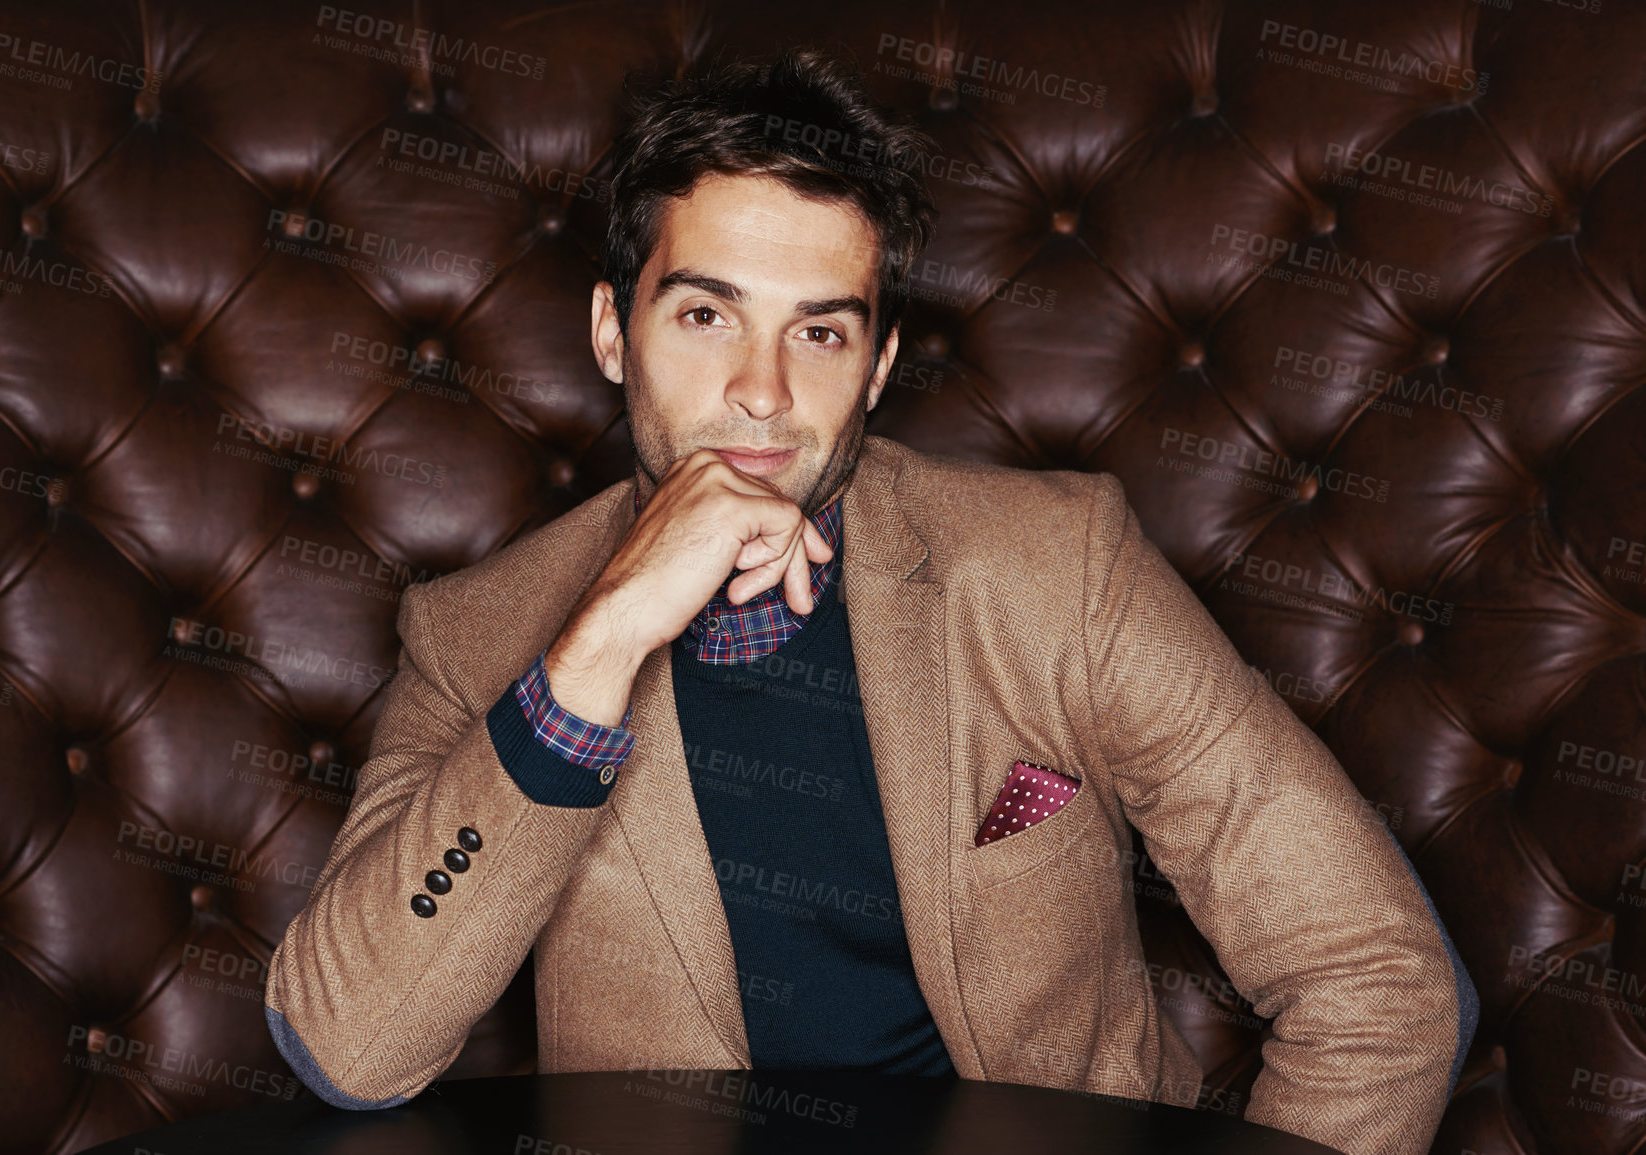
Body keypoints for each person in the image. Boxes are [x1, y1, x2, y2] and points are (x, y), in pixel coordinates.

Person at [265, 47, 1476, 1155]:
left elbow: (1378, 974)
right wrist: (600, 645)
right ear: (610, 333)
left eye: (822, 335)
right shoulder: (483, 633)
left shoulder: (1061, 570)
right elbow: (347, 1047)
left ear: (880, 368)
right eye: (704, 315)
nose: (760, 393)